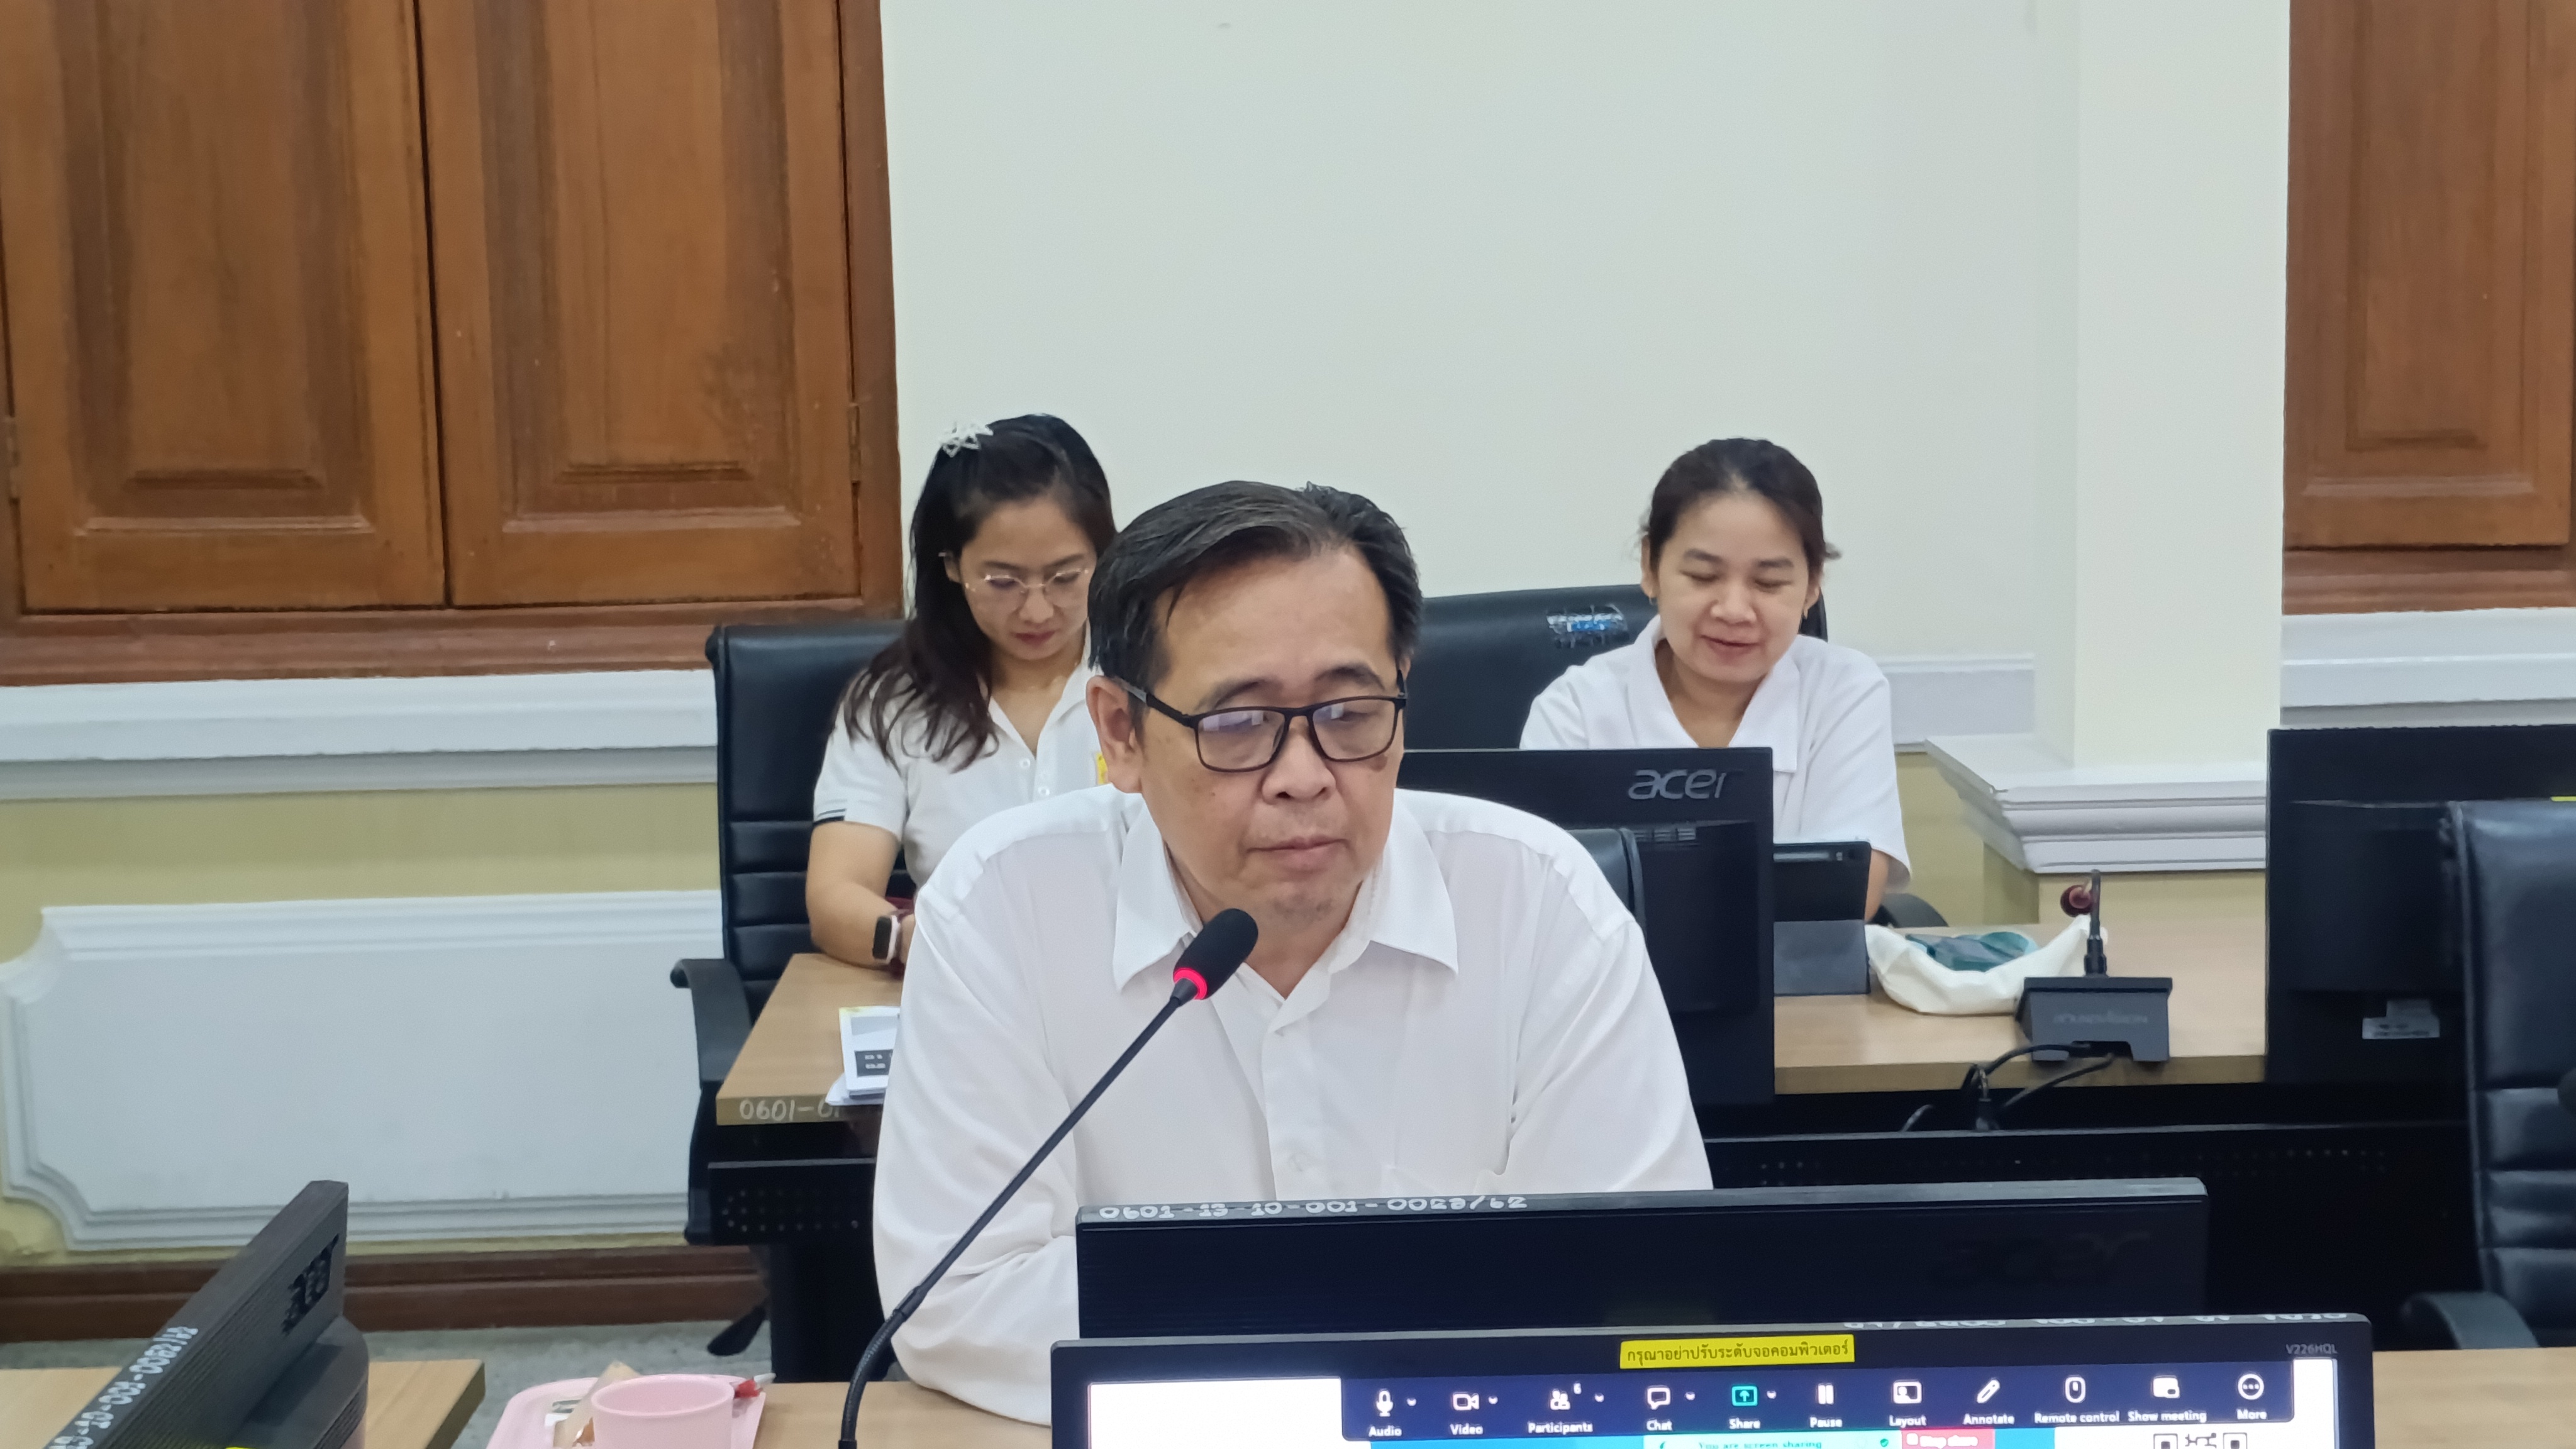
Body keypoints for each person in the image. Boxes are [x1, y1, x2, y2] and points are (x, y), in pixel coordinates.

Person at [872, 482, 1710, 1421]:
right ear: (1121, 733)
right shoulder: (1003, 907)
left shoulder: (1541, 904)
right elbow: (959, 1298)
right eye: (1238, 725)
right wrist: (1367, 1336)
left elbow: (1641, 1279)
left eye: (1351, 714)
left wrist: (1269, 1330)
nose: (1304, 778)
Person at [1521, 438, 1909, 916]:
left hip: (1794, 968)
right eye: (1703, 576)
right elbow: (1547, 905)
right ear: (1650, 566)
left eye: (1768, 583)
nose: (1734, 610)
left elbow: (1850, 896)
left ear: (1812, 585)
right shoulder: (1575, 710)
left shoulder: (1844, 691)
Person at [806, 415, 1114, 971]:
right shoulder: (896, 704)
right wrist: (913, 940)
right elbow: (835, 897)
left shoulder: (1149, 678)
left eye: (1066, 577)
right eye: (1003, 582)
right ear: (951, 566)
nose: (1037, 610)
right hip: (963, 980)